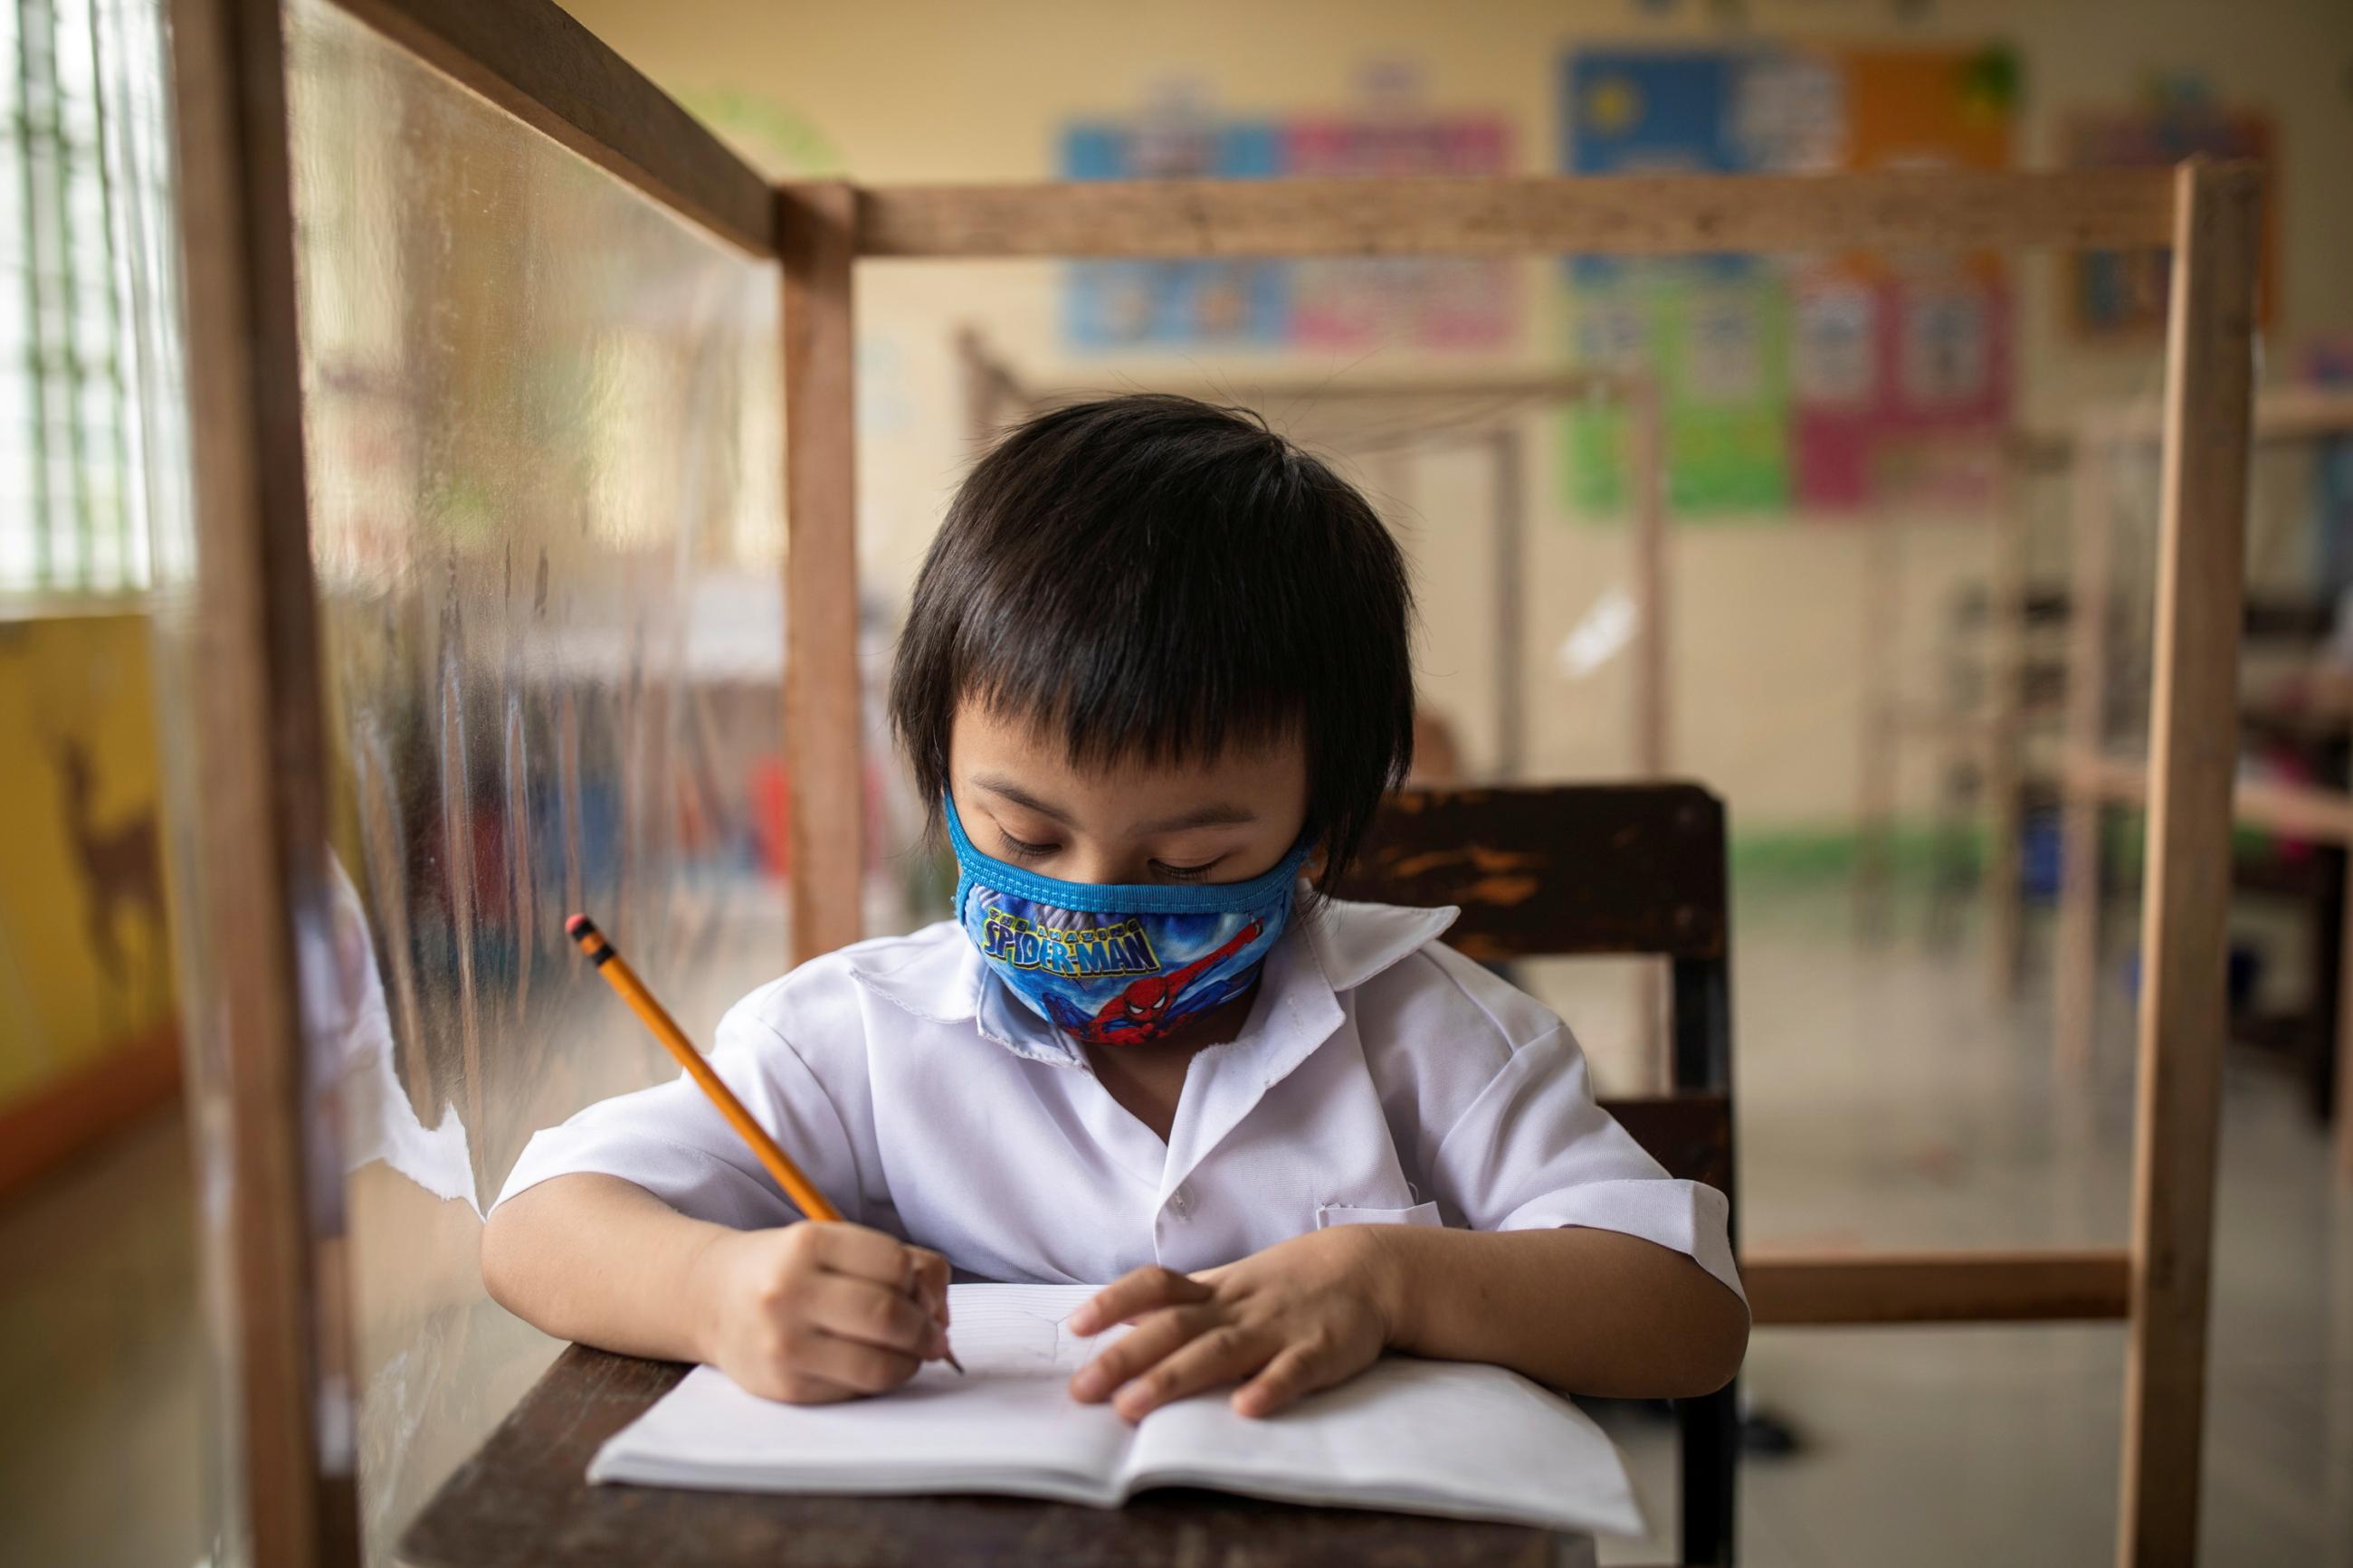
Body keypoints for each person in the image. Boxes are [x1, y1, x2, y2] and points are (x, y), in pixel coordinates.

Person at [481, 395, 1746, 1421]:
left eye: (1193, 857)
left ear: (1318, 831)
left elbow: (1688, 1312)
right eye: (1022, 832)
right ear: (937, 770)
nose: (1089, 897)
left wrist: (1391, 1275)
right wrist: (714, 1285)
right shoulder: (860, 1032)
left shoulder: (1431, 1034)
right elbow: (537, 1225)